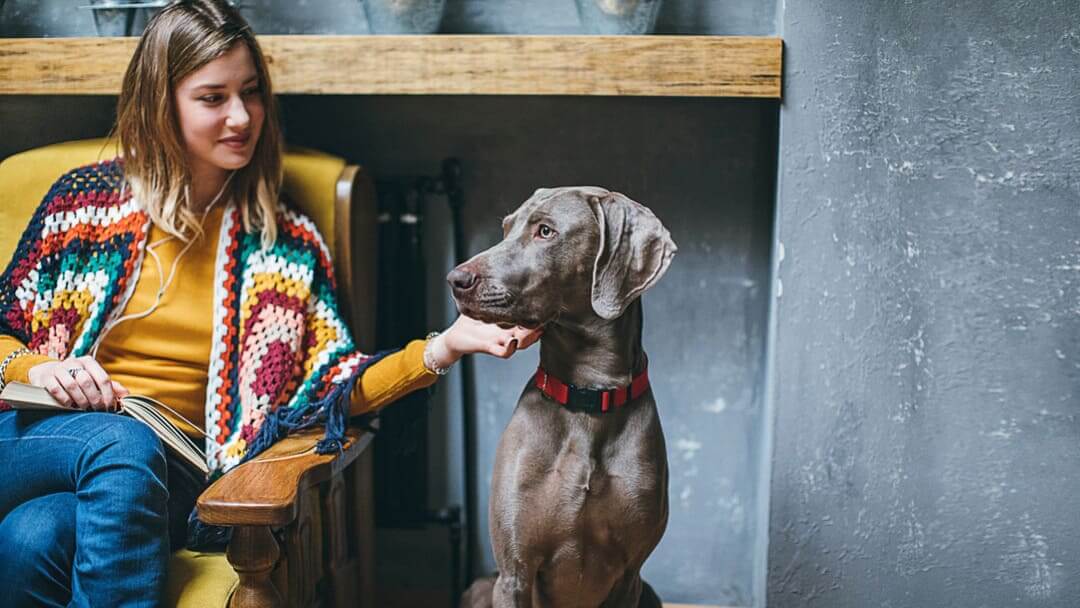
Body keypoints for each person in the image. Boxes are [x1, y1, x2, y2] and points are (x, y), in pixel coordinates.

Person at [0, 1, 540, 605]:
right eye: (212, 98)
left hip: (170, 474)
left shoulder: (283, 248)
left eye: (251, 92)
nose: (241, 116)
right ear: (161, 103)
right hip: (33, 436)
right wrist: (39, 367)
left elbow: (334, 386)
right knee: (120, 442)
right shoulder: (81, 206)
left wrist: (444, 345)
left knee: (32, 537)